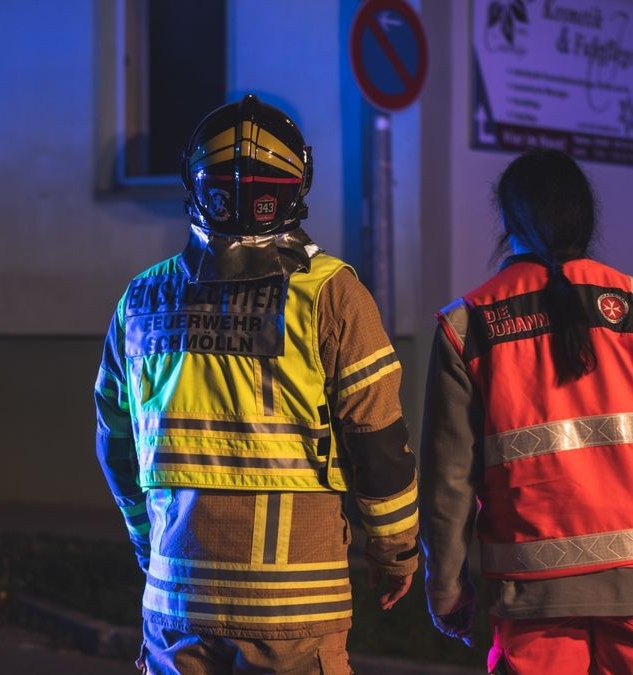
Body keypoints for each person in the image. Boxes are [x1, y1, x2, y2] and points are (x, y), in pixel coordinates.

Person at [94, 94, 419, 675]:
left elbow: (116, 445)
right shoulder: (330, 295)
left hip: (177, 602)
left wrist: (149, 542)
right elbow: (377, 442)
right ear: (296, 188)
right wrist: (395, 551)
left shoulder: (142, 300)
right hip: (294, 612)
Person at [419, 149, 633, 674]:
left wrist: (447, 586)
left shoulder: (467, 325)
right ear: (585, 219)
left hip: (533, 596)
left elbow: (448, 477)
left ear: (507, 222)